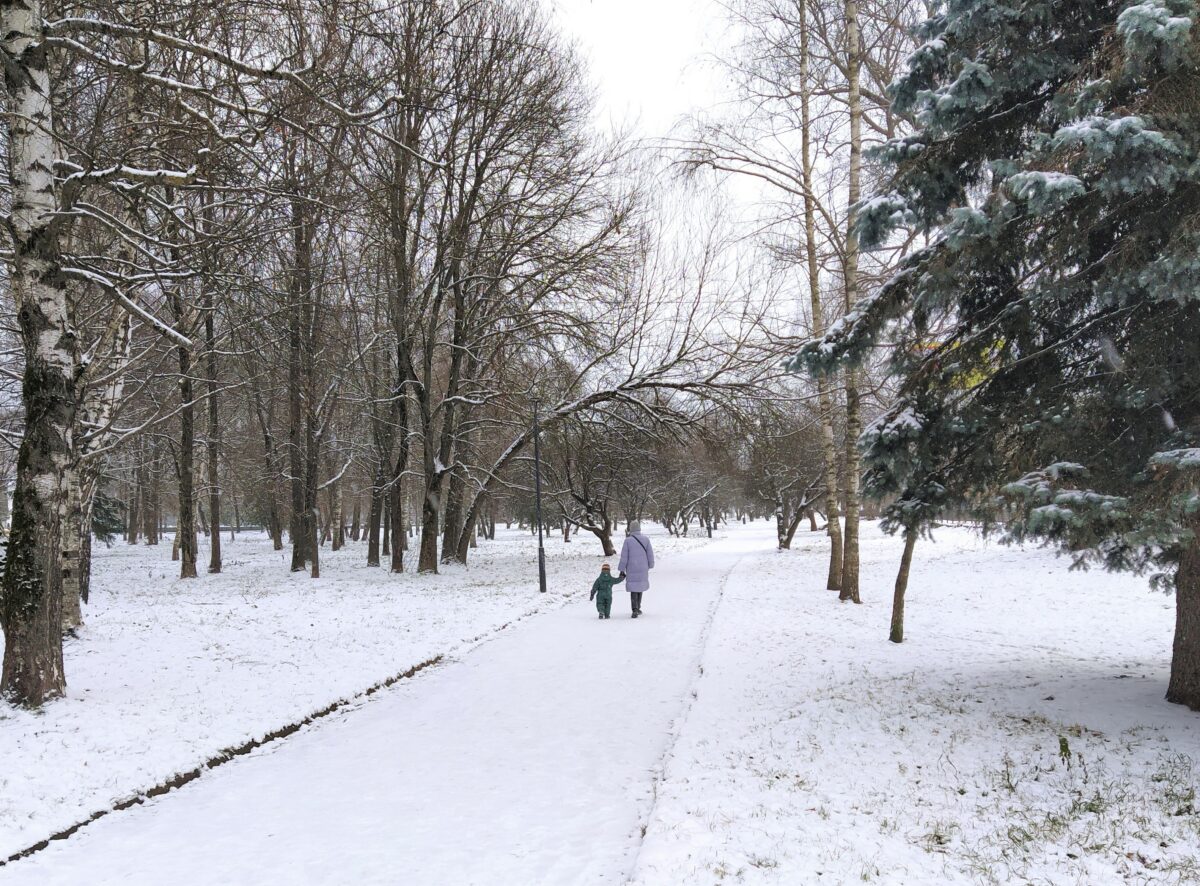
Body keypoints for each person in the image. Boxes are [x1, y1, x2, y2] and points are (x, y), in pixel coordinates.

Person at [617, 521, 654, 618]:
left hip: (632, 567)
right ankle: (638, 607)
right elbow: (650, 554)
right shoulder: (646, 539)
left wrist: (622, 569)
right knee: (640, 587)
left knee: (633, 588)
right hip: (643, 567)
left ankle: (634, 609)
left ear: (631, 529)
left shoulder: (628, 541)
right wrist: (650, 564)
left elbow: (624, 556)